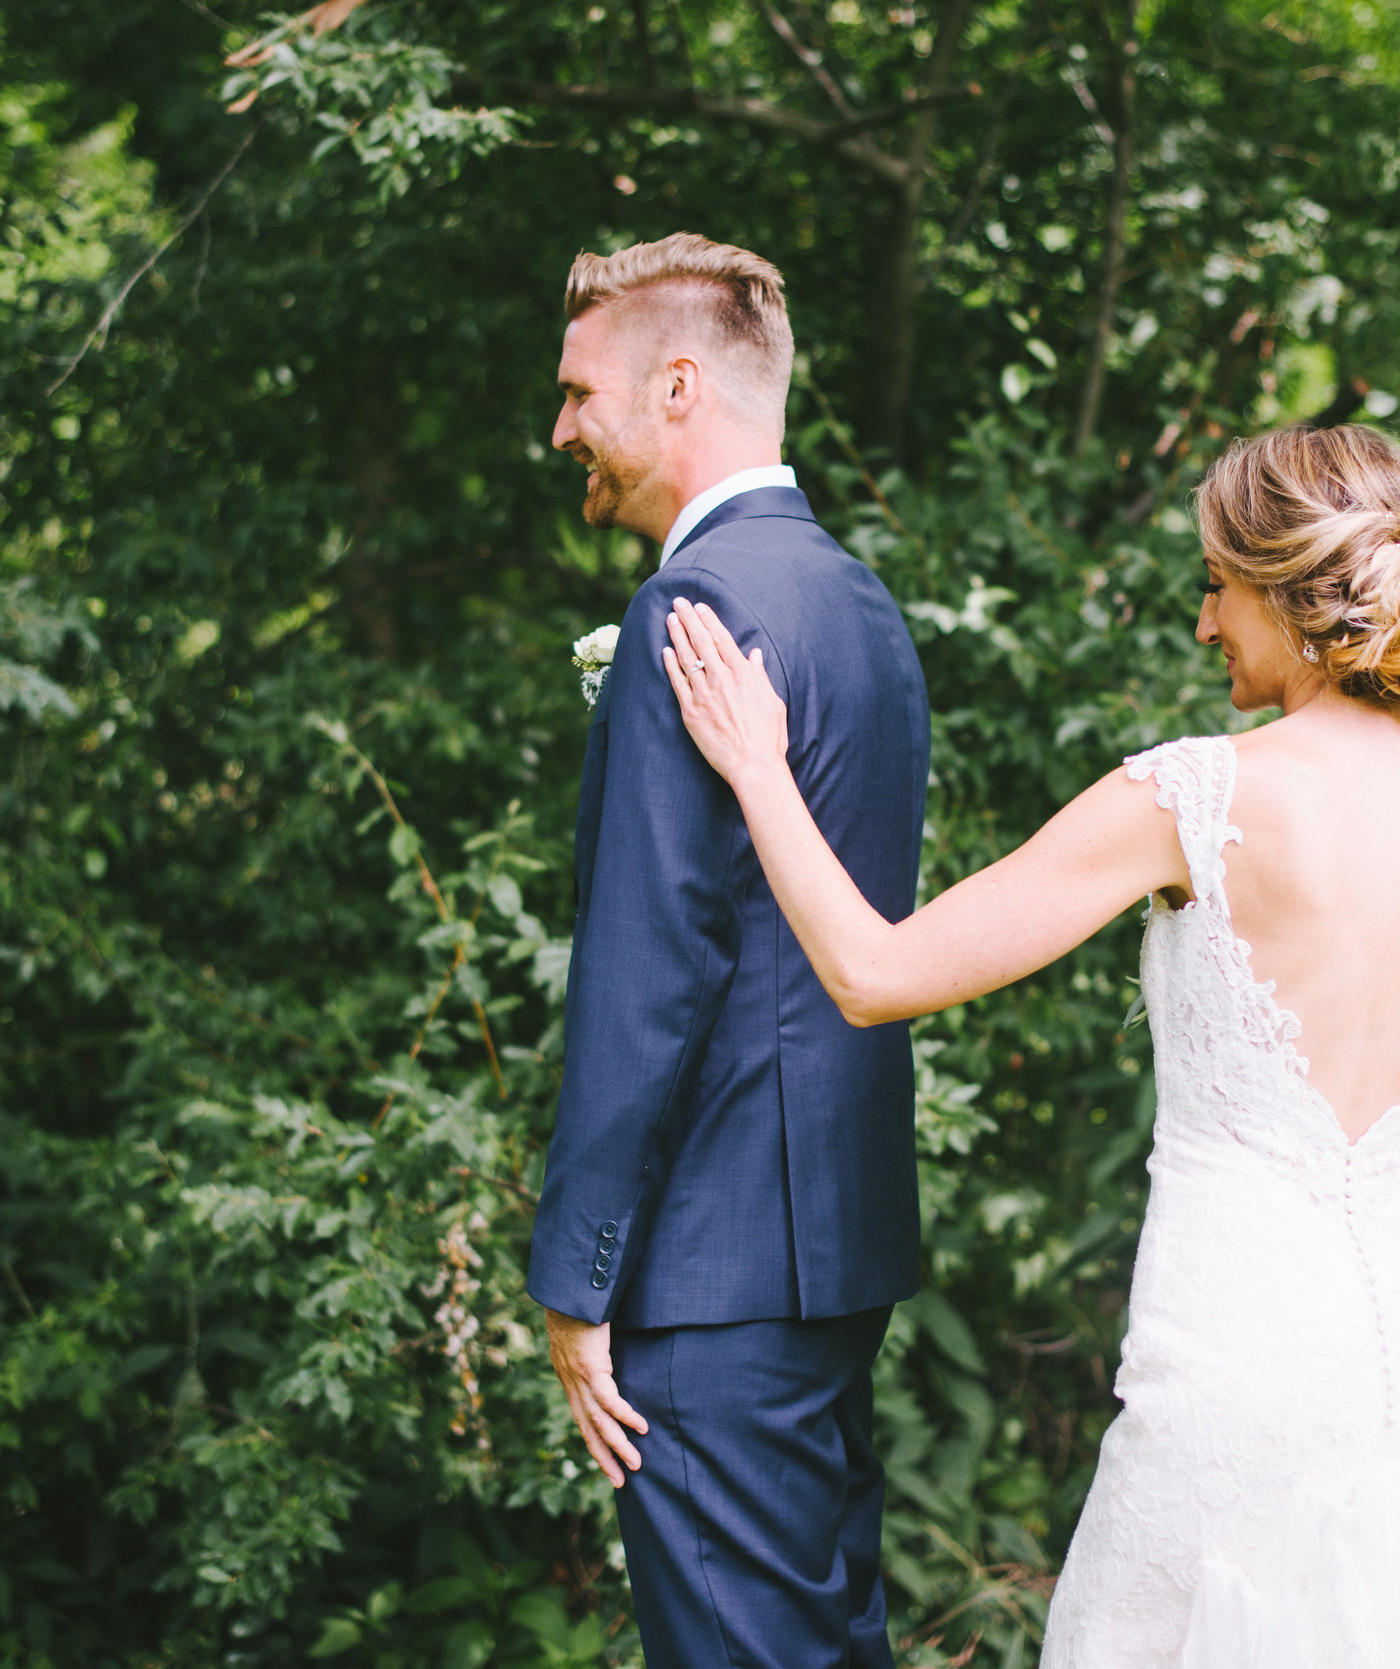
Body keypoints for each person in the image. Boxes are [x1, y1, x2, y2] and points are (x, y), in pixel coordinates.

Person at [659, 422, 1400, 1667]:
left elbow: (874, 972)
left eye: (1217, 585)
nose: (1207, 623)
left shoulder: (1199, 793)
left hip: (1236, 1362)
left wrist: (756, 768)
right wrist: (1379, 1111)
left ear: (1286, 588)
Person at [528, 232, 930, 1669]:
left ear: (679, 383)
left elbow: (655, 972)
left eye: (580, 391)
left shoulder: (687, 613)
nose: (561, 425)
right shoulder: (858, 604)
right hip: (829, 1245)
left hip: (707, 1266)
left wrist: (578, 1277)